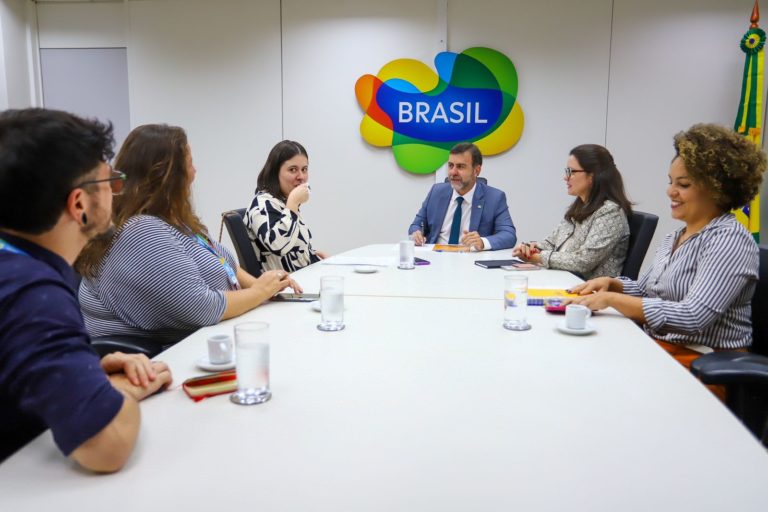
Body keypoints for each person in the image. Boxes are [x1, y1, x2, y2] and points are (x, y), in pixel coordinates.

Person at [0, 108, 173, 471]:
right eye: (108, 180)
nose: (115, 191)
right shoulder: (30, 291)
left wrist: (88, 371)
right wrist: (122, 391)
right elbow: (107, 446)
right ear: (79, 204)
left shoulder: (15, 267)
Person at [568, 124, 766, 379]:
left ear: (717, 187)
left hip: (702, 362)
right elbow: (649, 290)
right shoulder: (677, 236)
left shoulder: (729, 240)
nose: (670, 191)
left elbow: (693, 316)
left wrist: (612, 300)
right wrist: (612, 285)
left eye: (683, 185)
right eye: (671, 182)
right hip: (662, 348)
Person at [77, 124, 299, 345]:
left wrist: (265, 288)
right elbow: (201, 307)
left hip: (214, 335)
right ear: (168, 177)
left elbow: (226, 264)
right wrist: (259, 292)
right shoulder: (141, 231)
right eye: (190, 164)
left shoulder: (174, 221)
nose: (195, 173)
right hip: (169, 357)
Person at [512, 144, 632, 279]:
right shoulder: (580, 207)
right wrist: (530, 248)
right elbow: (552, 243)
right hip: (565, 281)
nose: (565, 177)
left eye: (571, 172)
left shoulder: (610, 212)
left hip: (591, 291)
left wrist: (538, 257)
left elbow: (584, 261)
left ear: (592, 176)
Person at [408, 142, 517, 250]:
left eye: (460, 167)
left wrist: (482, 242)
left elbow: (509, 235)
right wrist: (416, 233)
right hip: (435, 257)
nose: (453, 172)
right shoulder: (436, 192)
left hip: (470, 260)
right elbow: (416, 224)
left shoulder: (494, 198)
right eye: (450, 166)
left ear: (476, 170)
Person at [245, 140, 327, 272]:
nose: (301, 176)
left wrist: (319, 261)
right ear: (275, 173)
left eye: (304, 169)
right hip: (285, 290)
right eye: (293, 169)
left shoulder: (282, 202)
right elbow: (278, 245)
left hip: (303, 281)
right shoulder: (262, 204)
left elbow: (296, 250)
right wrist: (293, 203)